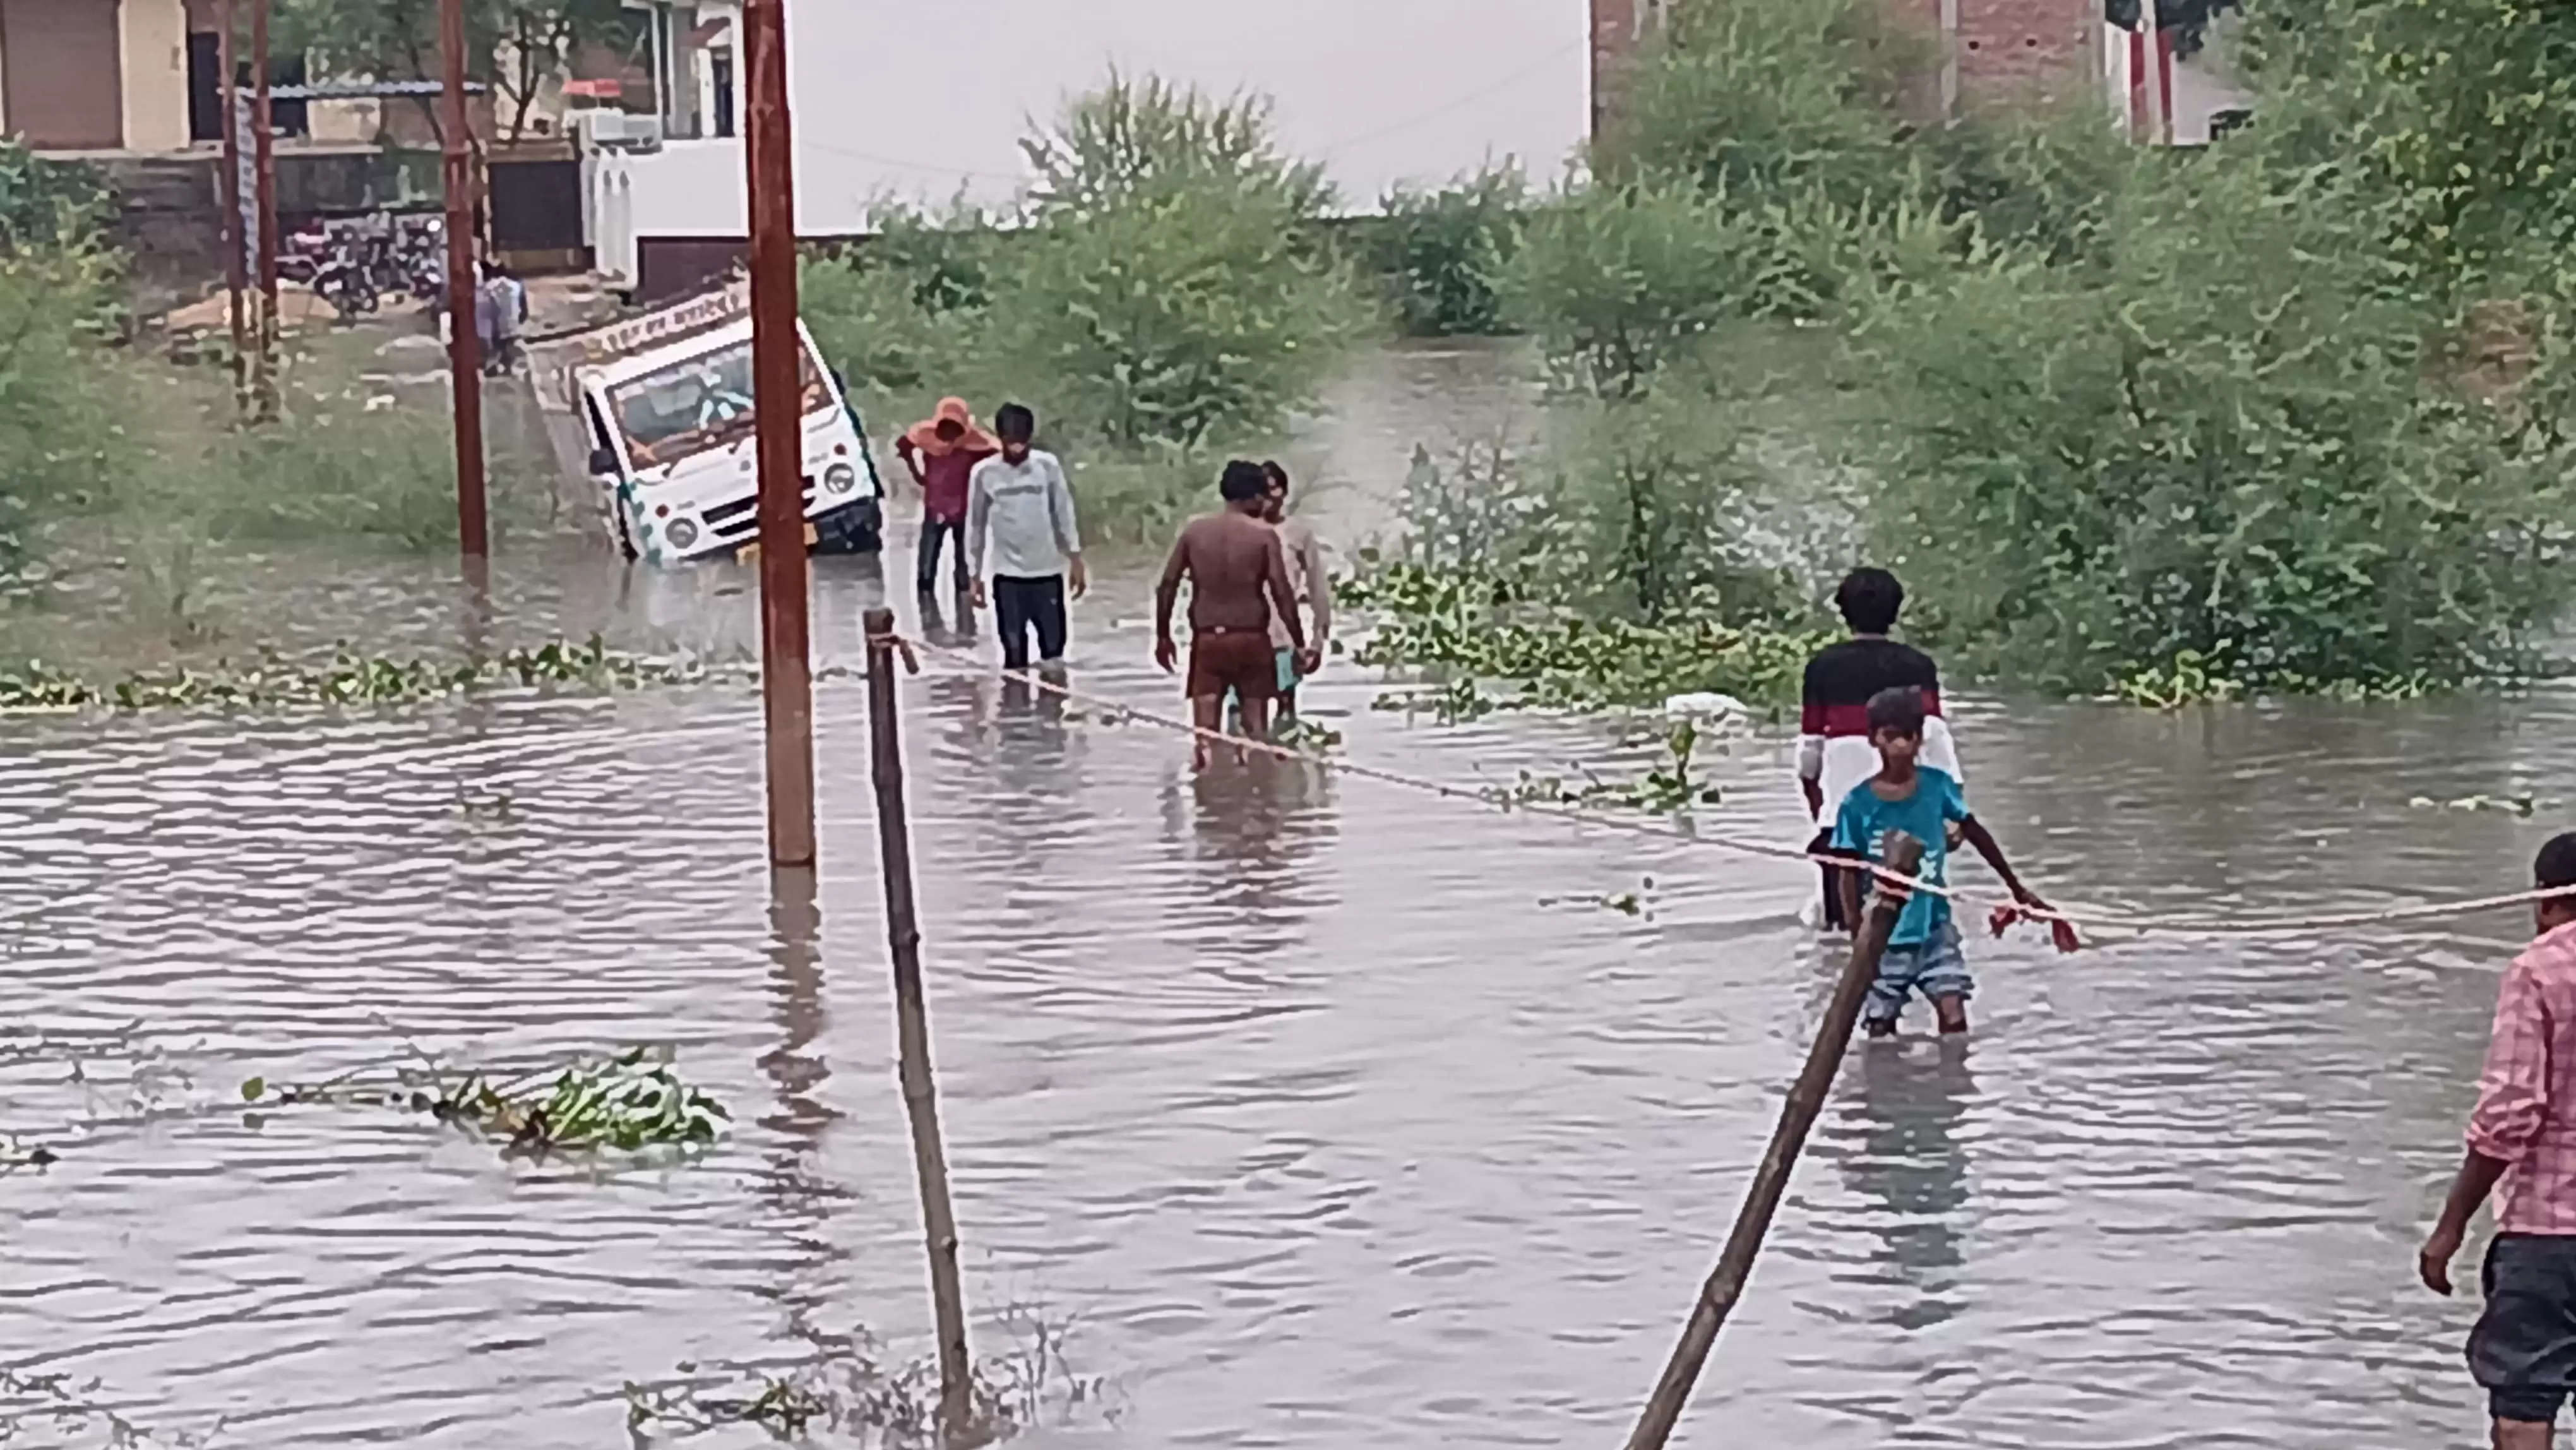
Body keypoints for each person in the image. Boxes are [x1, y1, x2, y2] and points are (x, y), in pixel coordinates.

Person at [2420, 833, 2576, 1450]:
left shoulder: (2538, 969)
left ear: (2544, 900)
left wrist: (2451, 1223)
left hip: (2550, 1233)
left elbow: (2510, 1114)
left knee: (2524, 1397)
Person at [1830, 686, 2048, 1038]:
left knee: (1954, 1013)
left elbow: (1975, 832)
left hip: (1935, 929)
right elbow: (1847, 872)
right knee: (1880, 1029)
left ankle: (1952, 1087)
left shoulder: (1937, 787)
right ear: (1874, 740)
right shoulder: (1857, 804)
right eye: (1891, 736)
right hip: (1884, 938)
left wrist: (2016, 888)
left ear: (1919, 739)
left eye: (1908, 736)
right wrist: (1858, 933)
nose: (1900, 746)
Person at [1799, 568, 1967, 930]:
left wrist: (1825, 819)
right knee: (1915, 930)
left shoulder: (1822, 669)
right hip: (1908, 829)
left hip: (1841, 829)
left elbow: (1809, 762)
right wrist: (1952, 819)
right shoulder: (1918, 667)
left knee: (1841, 936)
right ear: (1896, 612)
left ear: (1844, 613)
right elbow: (1938, 749)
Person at [1155, 460, 1315, 770]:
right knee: (1256, 729)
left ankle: (1208, 797)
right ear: (1253, 497)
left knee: (1204, 732)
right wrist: (1299, 642)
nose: (1265, 504)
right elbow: (1282, 593)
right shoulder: (1264, 536)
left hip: (1208, 641)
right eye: (1262, 498)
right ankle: (1258, 796)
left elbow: (1167, 585)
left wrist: (1164, 636)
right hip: (1251, 642)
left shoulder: (1195, 532)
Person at [966, 403, 1087, 672]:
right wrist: (974, 576)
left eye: (1022, 443)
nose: (1017, 450)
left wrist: (1075, 558)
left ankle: (1053, 709)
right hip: (1007, 578)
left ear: (1030, 438)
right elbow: (975, 526)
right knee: (1014, 656)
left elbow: (1063, 511)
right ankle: (1016, 712)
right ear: (1000, 439)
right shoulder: (984, 473)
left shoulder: (1047, 466)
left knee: (1054, 656)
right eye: (1011, 443)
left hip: (1047, 573)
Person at [896, 397, 997, 596]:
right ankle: (928, 618)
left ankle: (965, 618)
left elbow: (1000, 459)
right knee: (925, 575)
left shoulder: (977, 447)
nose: (950, 432)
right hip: (935, 509)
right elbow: (903, 445)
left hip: (964, 512)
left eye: (955, 426)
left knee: (964, 577)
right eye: (946, 425)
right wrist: (917, 474)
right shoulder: (927, 439)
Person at [1259, 460, 1330, 728]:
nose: (1267, 498)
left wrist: (1318, 640)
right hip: (1245, 635)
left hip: (1283, 637)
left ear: (1285, 492)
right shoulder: (1240, 533)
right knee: (1239, 715)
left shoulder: (1298, 533)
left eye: (1273, 489)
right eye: (1261, 491)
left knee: (1286, 712)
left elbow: (1317, 590)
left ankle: (1284, 766)